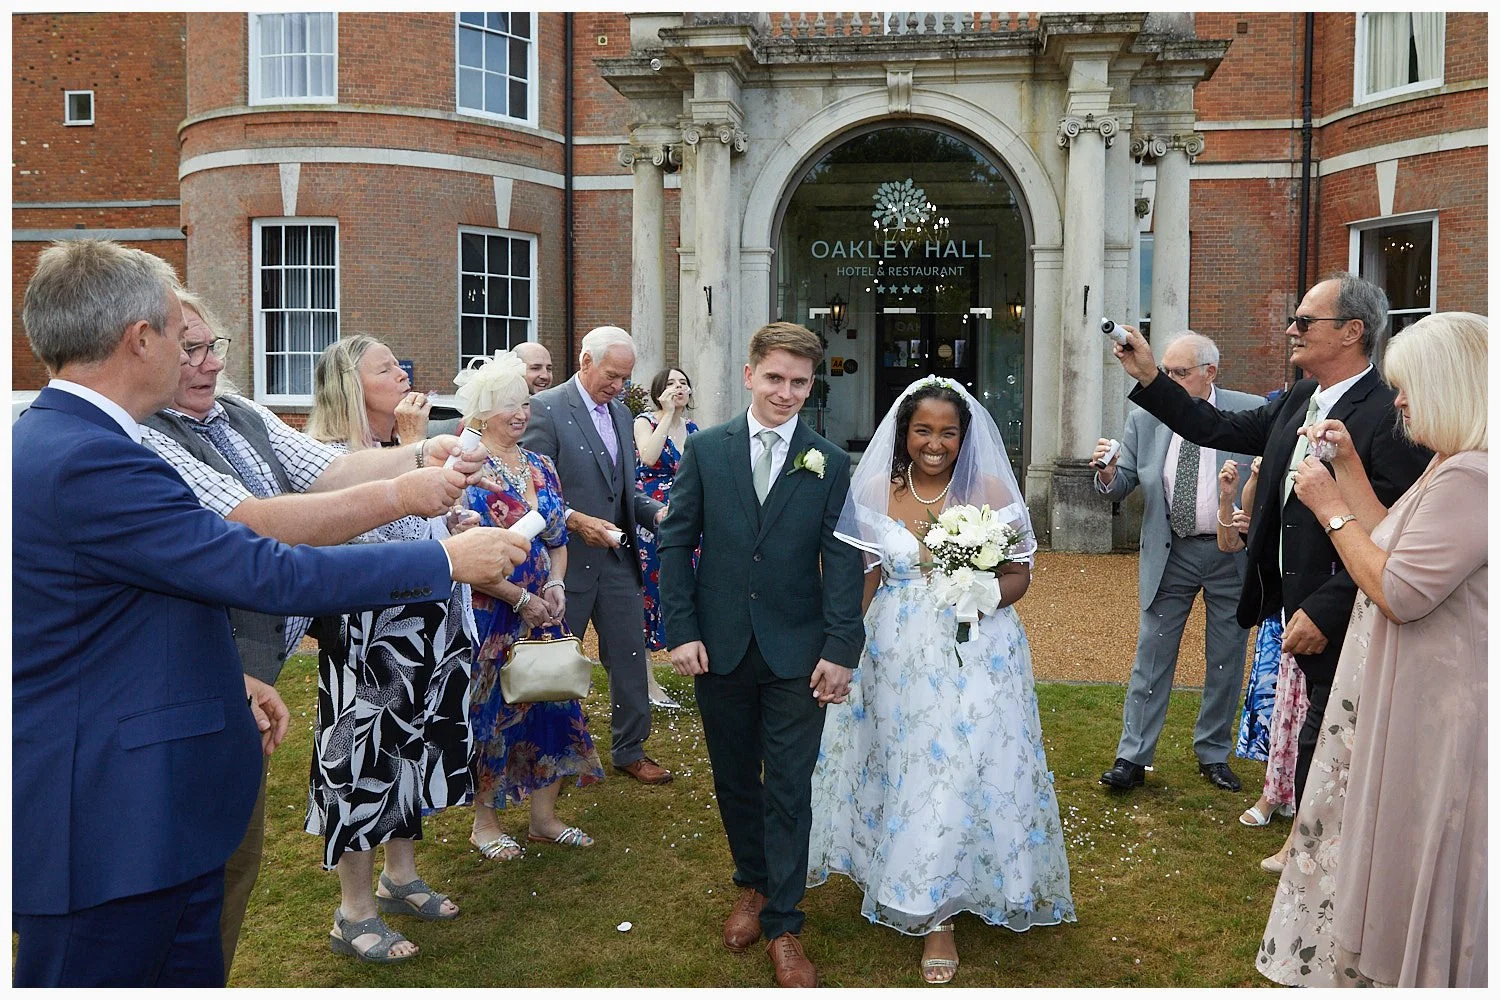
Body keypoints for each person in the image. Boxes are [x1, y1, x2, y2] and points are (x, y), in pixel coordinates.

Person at [11, 239, 527, 987]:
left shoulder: (76, 441)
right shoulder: (92, 456)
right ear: (140, 339)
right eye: (180, 334)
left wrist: (231, 676)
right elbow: (258, 566)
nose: (206, 356)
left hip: (150, 808)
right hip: (112, 833)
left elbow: (133, 612)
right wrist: (444, 561)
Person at [139, 291, 490, 975]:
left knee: (229, 866)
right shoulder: (146, 434)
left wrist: (420, 456)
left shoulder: (238, 414)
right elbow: (257, 524)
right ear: (141, 348)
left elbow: (325, 472)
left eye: (216, 347)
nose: (209, 364)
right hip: (201, 673)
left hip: (243, 671)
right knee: (194, 870)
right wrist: (416, 508)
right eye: (191, 350)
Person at [1109, 273, 1431, 813]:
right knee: (1313, 731)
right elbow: (1213, 427)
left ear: (1352, 331)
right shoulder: (1301, 397)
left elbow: (1395, 529)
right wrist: (1148, 377)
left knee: (1337, 735)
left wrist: (1326, 611)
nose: (1290, 331)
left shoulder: (1386, 413)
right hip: (1292, 603)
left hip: (1345, 611)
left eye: (1305, 321)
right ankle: (1307, 844)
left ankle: (1326, 853)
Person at [808, 376, 1075, 984]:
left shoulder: (986, 488)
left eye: (947, 433)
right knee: (909, 765)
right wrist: (842, 646)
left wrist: (983, 595)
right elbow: (866, 577)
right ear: (904, 433)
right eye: (923, 430)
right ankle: (910, 877)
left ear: (963, 436)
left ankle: (942, 914)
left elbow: (1019, 574)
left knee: (968, 764)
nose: (935, 443)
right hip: (898, 652)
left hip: (981, 650)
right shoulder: (876, 489)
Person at [1258, 312, 1487, 987]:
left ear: (1448, 385)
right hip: (1406, 688)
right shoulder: (1449, 466)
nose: (1399, 401)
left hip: (1438, 704)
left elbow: (1398, 589)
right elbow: (1392, 538)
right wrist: (1351, 468)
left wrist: (1328, 507)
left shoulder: (1474, 477)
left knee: (1421, 847)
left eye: (1407, 386)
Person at [658, 322, 865, 988]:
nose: (785, 392)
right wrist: (681, 630)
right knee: (732, 778)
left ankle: (784, 923)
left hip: (796, 653)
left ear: (812, 385)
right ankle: (750, 880)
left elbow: (841, 562)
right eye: (775, 378)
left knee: (790, 787)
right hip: (717, 648)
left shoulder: (830, 463)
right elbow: (674, 543)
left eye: (799, 382)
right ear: (749, 375)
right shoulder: (706, 451)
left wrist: (840, 648)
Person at [303, 335, 481, 963]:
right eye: (384, 368)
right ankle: (353, 913)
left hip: (431, 628)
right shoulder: (326, 459)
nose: (403, 373)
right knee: (363, 764)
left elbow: (419, 529)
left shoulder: (397, 452)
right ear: (350, 385)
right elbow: (345, 544)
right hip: (367, 639)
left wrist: (450, 523)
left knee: (414, 754)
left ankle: (400, 876)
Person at [1094, 333, 1261, 793]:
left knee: (1227, 658)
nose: (1168, 380)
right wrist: (1107, 471)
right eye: (1165, 371)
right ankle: (1132, 757)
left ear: (1211, 372)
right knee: (1152, 655)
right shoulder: (1145, 417)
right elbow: (1122, 482)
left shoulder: (1247, 410)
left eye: (1179, 373)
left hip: (1232, 555)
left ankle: (1214, 754)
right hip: (1172, 551)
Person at [455, 353, 605, 861]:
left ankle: (544, 818)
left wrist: (557, 585)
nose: (520, 412)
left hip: (545, 610)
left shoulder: (540, 465)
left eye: (523, 402)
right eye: (506, 404)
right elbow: (466, 553)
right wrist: (519, 598)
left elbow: (558, 537)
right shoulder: (467, 467)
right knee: (493, 714)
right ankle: (485, 824)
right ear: (481, 411)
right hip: (491, 614)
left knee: (553, 703)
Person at [523, 326, 673, 785]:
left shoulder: (623, 415)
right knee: (554, 664)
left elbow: (624, 491)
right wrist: (576, 521)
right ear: (585, 361)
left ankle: (630, 749)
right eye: (612, 375)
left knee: (630, 657)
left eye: (626, 378)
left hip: (619, 563)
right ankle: (548, 756)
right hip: (564, 564)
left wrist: (660, 514)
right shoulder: (546, 410)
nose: (619, 386)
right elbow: (531, 489)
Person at [1216, 458, 1300, 838]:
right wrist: (1253, 478)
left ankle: (1300, 794)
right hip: (1277, 599)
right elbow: (1244, 521)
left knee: (1304, 705)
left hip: (1311, 588)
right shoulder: (1277, 453)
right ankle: (1275, 792)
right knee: (1275, 700)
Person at [633, 366, 700, 709]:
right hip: (653, 518)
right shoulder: (645, 421)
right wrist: (667, 414)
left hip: (689, 519)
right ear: (659, 390)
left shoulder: (693, 429)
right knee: (650, 595)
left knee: (688, 587)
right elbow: (648, 456)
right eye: (672, 383)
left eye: (684, 383)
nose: (679, 388)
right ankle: (647, 680)